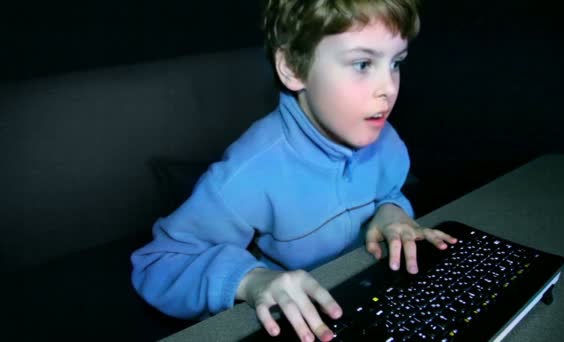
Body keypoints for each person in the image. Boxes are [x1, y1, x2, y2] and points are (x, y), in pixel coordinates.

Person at [131, 0, 457, 341]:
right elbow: (157, 265)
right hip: (297, 321)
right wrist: (251, 281)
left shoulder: (383, 135)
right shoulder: (250, 171)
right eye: (363, 64)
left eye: (395, 63)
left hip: (366, 292)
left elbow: (389, 190)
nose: (388, 88)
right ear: (292, 68)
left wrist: (392, 212)